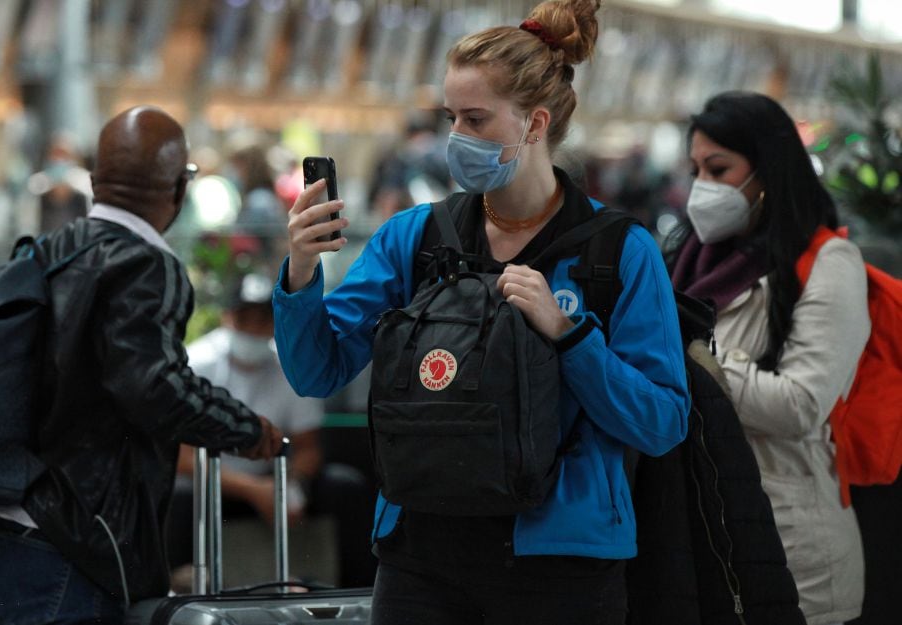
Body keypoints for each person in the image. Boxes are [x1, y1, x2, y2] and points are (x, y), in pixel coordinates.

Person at [273, 2, 690, 623]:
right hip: (421, 556)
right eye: (451, 118)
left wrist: (571, 337)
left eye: (475, 118)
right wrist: (302, 272)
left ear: (534, 122)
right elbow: (318, 371)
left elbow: (662, 421)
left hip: (560, 566)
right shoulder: (415, 238)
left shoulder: (617, 252)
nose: (456, 139)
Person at [0, 106, 284, 625]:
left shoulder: (44, 252)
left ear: (96, 180)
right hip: (62, 544)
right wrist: (244, 428)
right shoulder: (145, 263)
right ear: (178, 187)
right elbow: (152, 386)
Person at [669, 91, 869, 625]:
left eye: (719, 168)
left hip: (793, 554)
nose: (703, 188)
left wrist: (697, 357)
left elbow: (802, 404)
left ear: (767, 169)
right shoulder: (682, 259)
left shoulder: (828, 264)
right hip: (700, 538)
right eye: (696, 170)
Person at [165, 272, 377, 588]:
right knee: (177, 494)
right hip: (214, 483)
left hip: (274, 476)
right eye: (244, 318)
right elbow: (182, 458)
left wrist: (290, 486)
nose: (253, 329)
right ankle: (173, 586)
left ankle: (356, 592)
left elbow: (308, 446)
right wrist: (254, 490)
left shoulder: (288, 367)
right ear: (228, 317)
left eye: (262, 319)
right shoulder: (198, 363)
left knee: (344, 486)